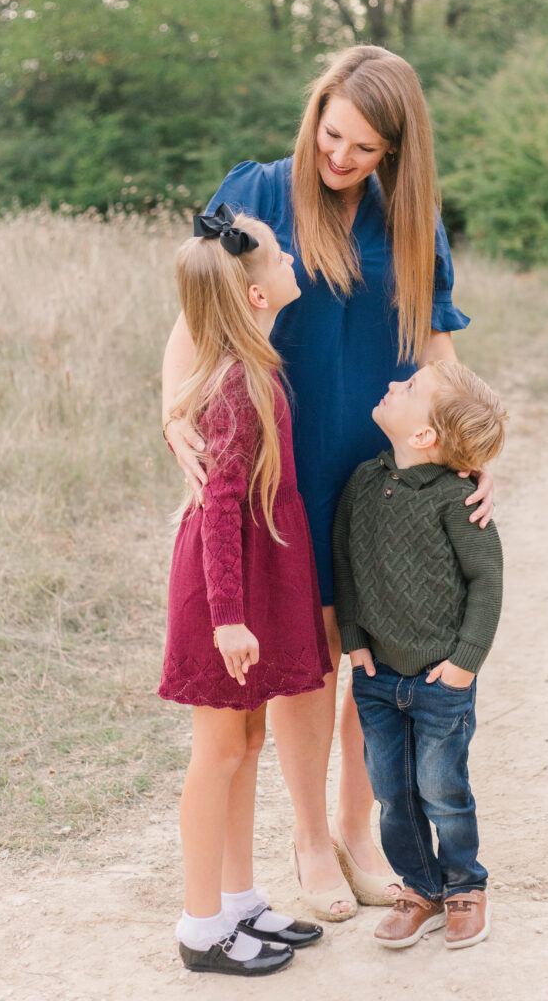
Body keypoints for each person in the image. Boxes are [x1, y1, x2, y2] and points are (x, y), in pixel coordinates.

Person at [162, 45, 496, 920]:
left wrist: (471, 445)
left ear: (396, 152)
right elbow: (195, 321)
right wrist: (173, 418)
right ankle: (309, 836)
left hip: (389, 467)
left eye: (364, 148)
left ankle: (358, 830)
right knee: (306, 659)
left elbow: (437, 345)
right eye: (331, 133)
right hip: (285, 464)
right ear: (314, 112)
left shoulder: (413, 225)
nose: (340, 158)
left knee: (379, 647)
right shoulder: (258, 192)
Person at [158, 205, 330, 975]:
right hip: (223, 592)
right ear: (256, 295)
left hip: (256, 579)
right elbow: (221, 505)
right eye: (278, 255)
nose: (291, 259)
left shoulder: (253, 367)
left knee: (251, 740)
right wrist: (228, 618)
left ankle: (238, 901)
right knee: (218, 751)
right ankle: (201, 927)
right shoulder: (235, 385)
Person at [332, 360, 506, 951]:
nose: (390, 382)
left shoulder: (458, 498)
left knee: (443, 790)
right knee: (391, 793)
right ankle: (420, 887)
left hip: (441, 678)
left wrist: (466, 661)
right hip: (377, 677)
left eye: (406, 388)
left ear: (424, 436)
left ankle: (464, 887)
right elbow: (345, 567)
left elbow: (487, 579)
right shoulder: (361, 484)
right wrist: (352, 640)